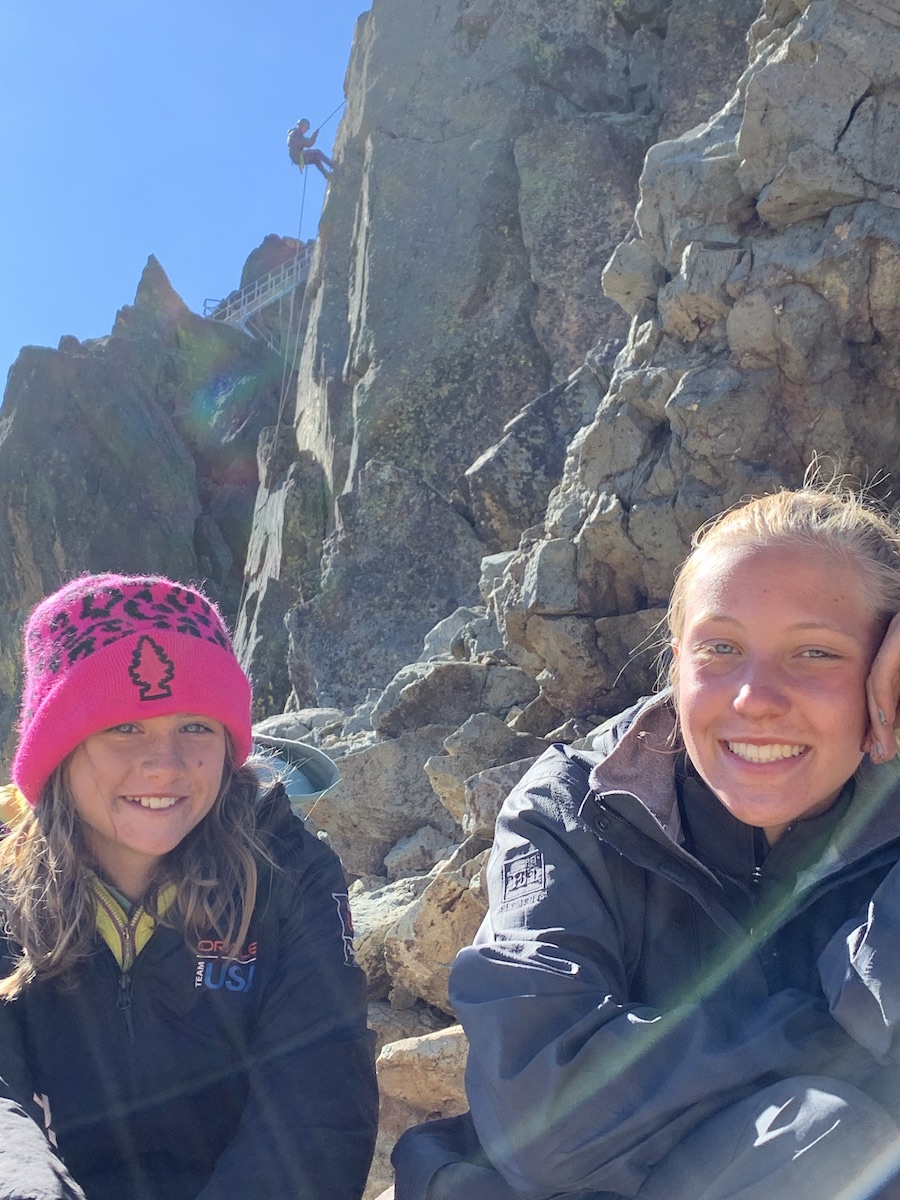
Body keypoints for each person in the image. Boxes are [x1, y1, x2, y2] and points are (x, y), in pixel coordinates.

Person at [394, 482, 900, 1200]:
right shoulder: (576, 808)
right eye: (720, 647)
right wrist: (826, 1032)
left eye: (815, 653)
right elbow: (546, 1127)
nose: (754, 698)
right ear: (676, 665)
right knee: (843, 1140)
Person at [0, 573, 377, 1200]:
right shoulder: (6, 889)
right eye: (124, 726)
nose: (165, 765)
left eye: (195, 726)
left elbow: (319, 1097)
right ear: (56, 749)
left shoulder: (286, 872)